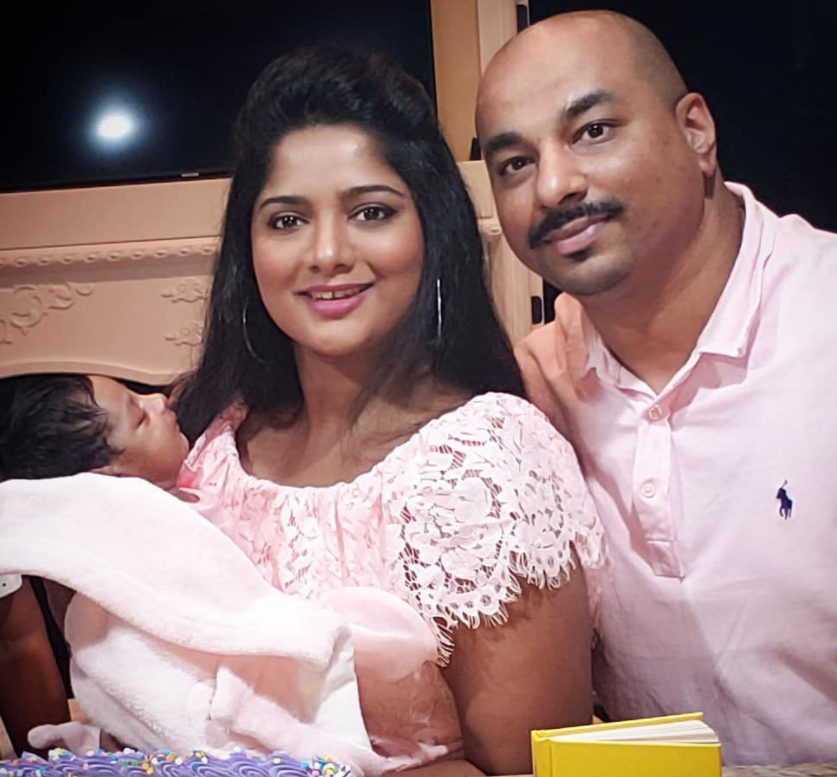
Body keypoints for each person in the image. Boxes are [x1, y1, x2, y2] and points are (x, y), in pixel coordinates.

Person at [175, 47, 606, 776]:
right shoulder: (209, 438)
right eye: (287, 220)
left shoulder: (485, 465)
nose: (326, 253)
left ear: (431, 230)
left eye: (370, 212)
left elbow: (528, 770)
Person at [475, 9, 837, 767]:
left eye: (592, 131)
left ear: (695, 132)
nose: (553, 185)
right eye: (515, 164)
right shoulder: (533, 396)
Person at [0, 373, 190, 756]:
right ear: (110, 476)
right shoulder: (110, 560)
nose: (159, 400)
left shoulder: (204, 472)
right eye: (140, 417)